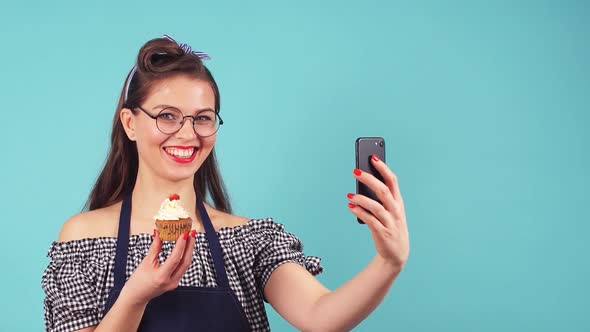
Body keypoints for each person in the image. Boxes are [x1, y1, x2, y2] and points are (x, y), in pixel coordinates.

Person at [41, 35, 410, 332]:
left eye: (203, 118)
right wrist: (135, 297)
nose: (187, 134)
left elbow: (321, 317)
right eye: (167, 116)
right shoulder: (83, 239)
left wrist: (388, 262)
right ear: (130, 123)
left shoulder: (247, 241)